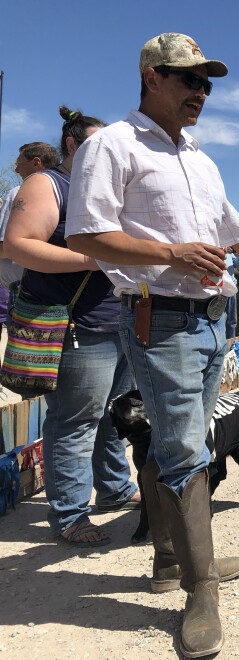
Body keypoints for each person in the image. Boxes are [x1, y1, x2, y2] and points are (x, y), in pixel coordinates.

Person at [65, 32, 239, 658]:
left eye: (207, 83)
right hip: (160, 318)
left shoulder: (198, 158)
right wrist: (171, 252)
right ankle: (199, 590)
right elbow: (87, 235)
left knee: (185, 437)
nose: (201, 93)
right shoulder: (110, 146)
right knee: (182, 448)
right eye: (189, 80)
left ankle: (169, 559)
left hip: (212, 317)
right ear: (151, 76)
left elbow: (238, 230)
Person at [5, 107, 139, 547]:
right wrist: (98, 259)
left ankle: (115, 489)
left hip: (115, 319)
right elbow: (19, 246)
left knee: (112, 416)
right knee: (75, 422)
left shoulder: (104, 191)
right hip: (75, 324)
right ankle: (70, 515)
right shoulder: (48, 184)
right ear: (72, 145)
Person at [0, 143, 61, 291]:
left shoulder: (19, 193)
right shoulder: (65, 191)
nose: (16, 170)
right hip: (58, 286)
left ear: (36, 162)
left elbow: (5, 248)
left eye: (19, 164)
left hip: (22, 291)